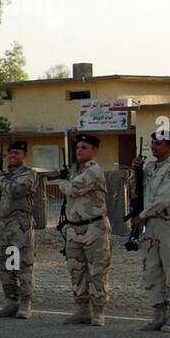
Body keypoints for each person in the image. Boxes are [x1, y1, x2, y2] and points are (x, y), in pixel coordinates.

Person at [131, 128, 170, 333]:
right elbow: (137, 192)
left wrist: (142, 216)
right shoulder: (149, 168)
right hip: (150, 224)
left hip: (169, 223)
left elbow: (164, 198)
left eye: (158, 144)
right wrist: (134, 171)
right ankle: (158, 314)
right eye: (152, 143)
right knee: (151, 270)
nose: (154, 147)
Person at [61, 133, 111, 326]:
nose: (79, 151)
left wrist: (62, 182)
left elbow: (72, 189)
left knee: (97, 270)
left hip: (94, 227)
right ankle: (83, 308)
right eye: (78, 147)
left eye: (83, 147)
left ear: (94, 151)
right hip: (74, 229)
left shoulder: (94, 170)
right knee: (77, 270)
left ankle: (99, 310)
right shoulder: (75, 170)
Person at [0, 140, 38, 318]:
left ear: (24, 155)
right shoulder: (5, 174)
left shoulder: (29, 174)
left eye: (16, 153)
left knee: (22, 263)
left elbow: (15, 190)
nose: (12, 156)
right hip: (4, 225)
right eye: (10, 153)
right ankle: (11, 300)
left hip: (20, 225)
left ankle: (26, 302)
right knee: (7, 263)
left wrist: (1, 178)